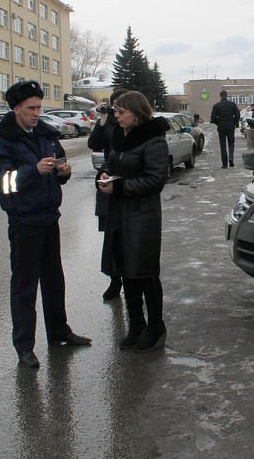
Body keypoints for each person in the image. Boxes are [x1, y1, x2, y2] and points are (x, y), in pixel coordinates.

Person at [0, 80, 91, 368]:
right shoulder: (1, 140)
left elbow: (58, 165)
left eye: (39, 107)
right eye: (31, 108)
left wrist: (62, 172)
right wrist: (33, 170)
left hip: (49, 217)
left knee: (54, 279)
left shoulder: (45, 133)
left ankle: (59, 332)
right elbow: (3, 184)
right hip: (24, 221)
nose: (36, 113)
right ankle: (24, 346)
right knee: (24, 285)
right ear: (16, 108)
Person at [96, 91, 170, 352]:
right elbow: (112, 163)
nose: (116, 116)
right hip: (119, 214)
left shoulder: (154, 140)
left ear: (138, 114)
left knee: (145, 273)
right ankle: (136, 325)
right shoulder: (120, 136)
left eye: (121, 112)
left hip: (143, 216)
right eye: (115, 111)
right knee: (126, 272)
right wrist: (105, 174)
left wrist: (119, 188)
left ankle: (156, 327)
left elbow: (155, 180)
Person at [87, 88, 129, 301]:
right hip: (107, 182)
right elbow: (93, 143)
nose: (118, 112)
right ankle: (115, 280)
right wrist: (103, 119)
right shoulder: (109, 121)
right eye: (115, 106)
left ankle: (130, 280)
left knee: (127, 236)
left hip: (125, 184)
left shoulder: (132, 125)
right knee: (110, 237)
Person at [209, 90, 240, 168]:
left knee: (223, 145)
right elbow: (237, 114)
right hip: (230, 127)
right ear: (227, 95)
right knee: (231, 143)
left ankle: (224, 164)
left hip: (221, 128)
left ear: (220, 96)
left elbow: (213, 117)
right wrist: (235, 123)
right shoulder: (232, 104)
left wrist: (218, 123)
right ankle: (231, 158)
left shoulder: (216, 106)